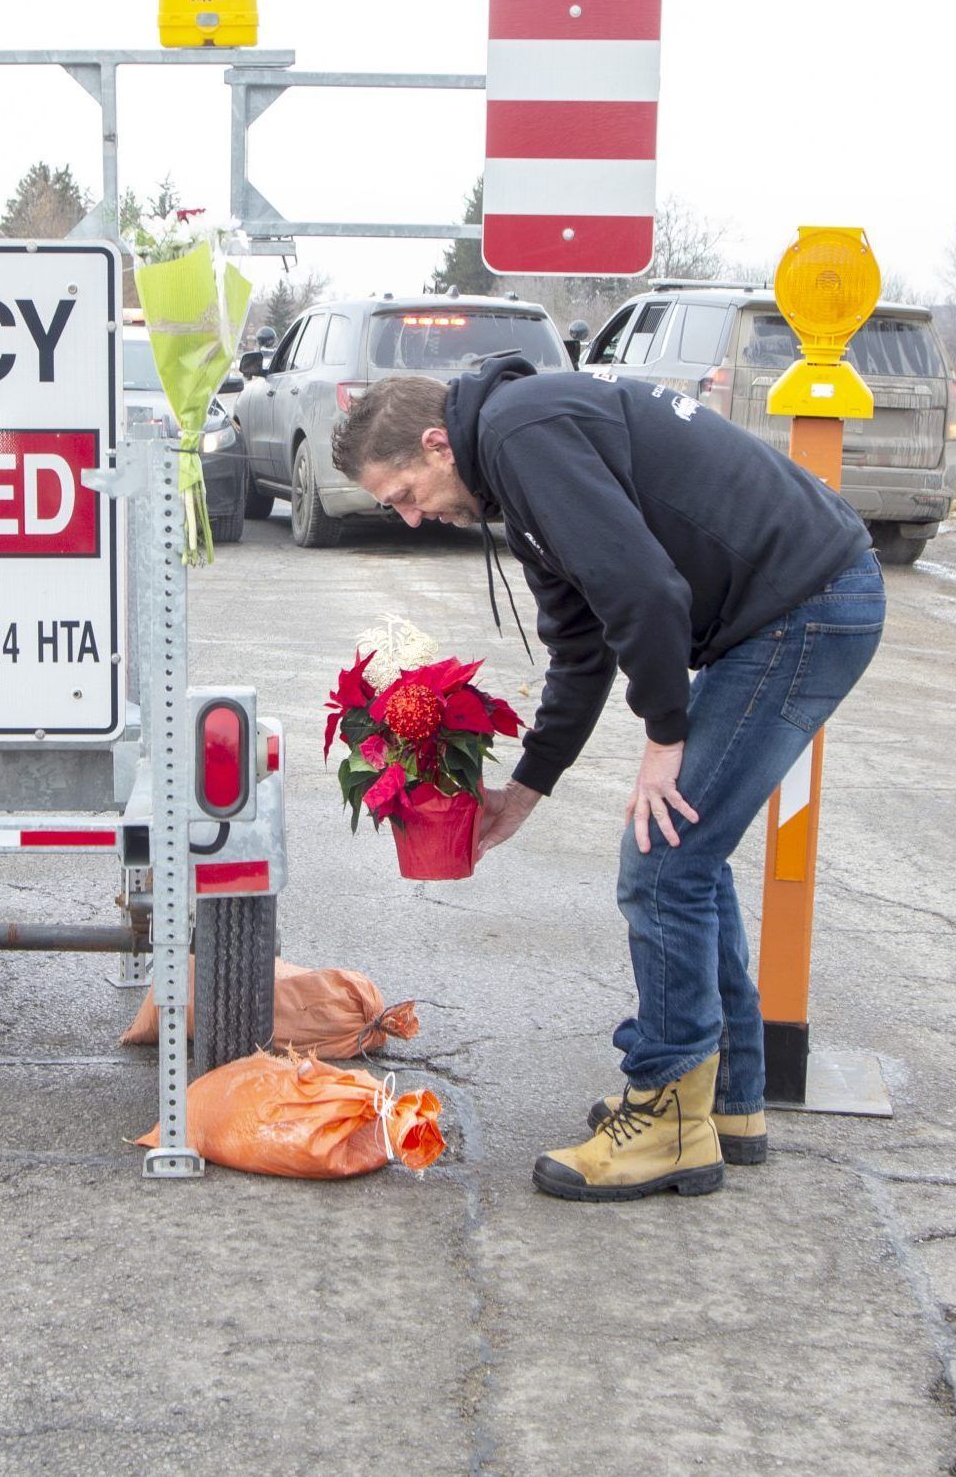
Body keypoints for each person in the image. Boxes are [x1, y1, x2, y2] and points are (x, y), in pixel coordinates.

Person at [330, 357, 884, 1201]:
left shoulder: (522, 434)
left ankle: (666, 1119)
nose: (409, 518)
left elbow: (646, 592)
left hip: (801, 605)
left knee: (662, 858)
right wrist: (526, 787)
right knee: (685, 853)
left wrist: (666, 737)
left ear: (438, 444)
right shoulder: (515, 461)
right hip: (785, 608)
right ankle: (725, 1099)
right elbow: (582, 645)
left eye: (403, 492)